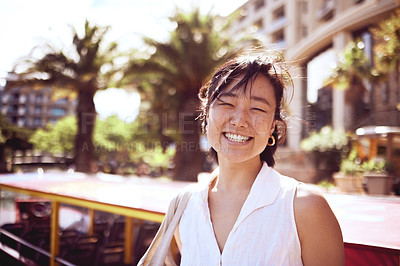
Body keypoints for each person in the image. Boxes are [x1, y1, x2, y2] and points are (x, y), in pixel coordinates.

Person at [140, 50, 344, 265]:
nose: (239, 121)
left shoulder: (305, 208)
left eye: (257, 108)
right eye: (227, 104)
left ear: (273, 127)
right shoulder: (184, 205)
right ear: (206, 115)